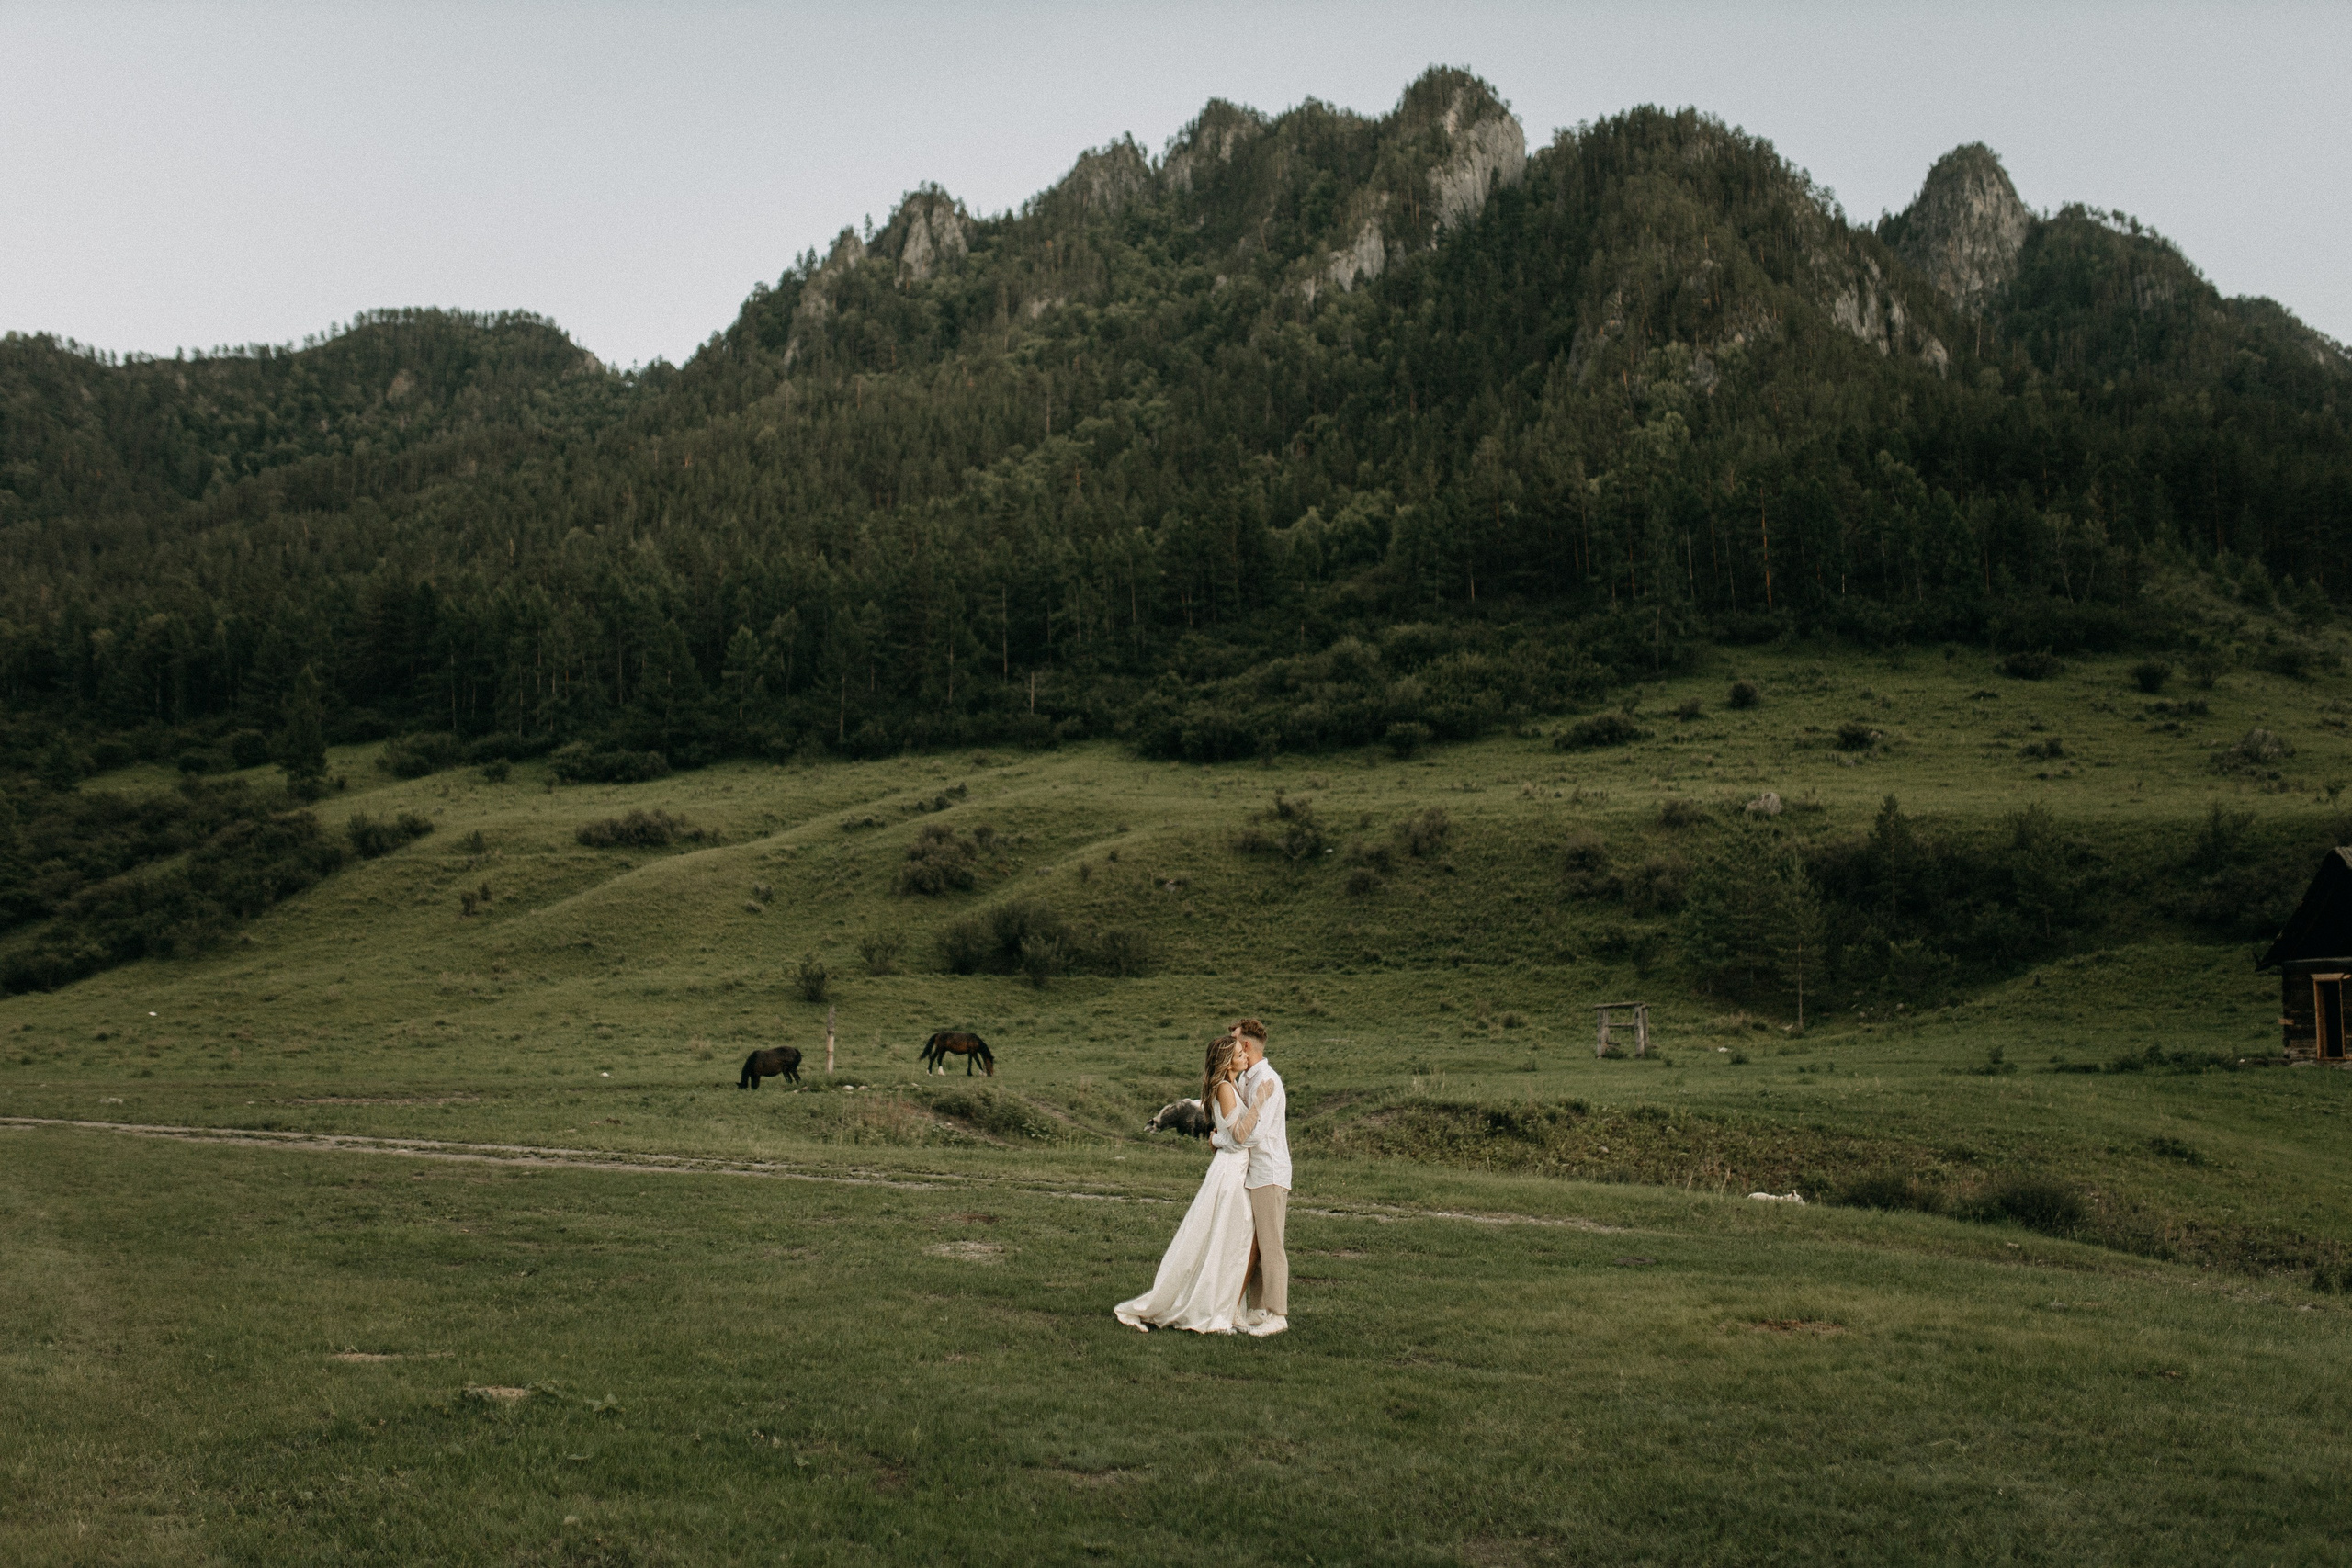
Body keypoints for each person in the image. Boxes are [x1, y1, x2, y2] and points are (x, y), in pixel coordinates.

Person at [1113, 1029, 1277, 1334]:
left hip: (1235, 1167)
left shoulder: (1229, 1085)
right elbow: (1240, 1135)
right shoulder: (1225, 1088)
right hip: (1231, 1173)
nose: (1245, 1056)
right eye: (1240, 1054)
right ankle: (1214, 1309)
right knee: (1229, 1238)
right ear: (1228, 1061)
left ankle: (1226, 1306)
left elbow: (1229, 1133)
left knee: (1231, 1238)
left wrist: (1220, 1138)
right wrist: (1259, 1103)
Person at [1217, 1018, 1289, 1337]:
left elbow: (1253, 1135)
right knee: (1255, 1242)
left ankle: (1277, 1313)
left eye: (1234, 1040)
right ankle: (1259, 1308)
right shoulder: (1247, 1078)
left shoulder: (1266, 1081)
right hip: (1253, 1172)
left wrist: (1220, 1141)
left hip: (1268, 1171)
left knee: (1271, 1244)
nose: (1230, 1044)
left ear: (1245, 1046)